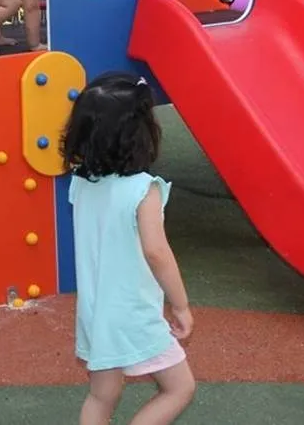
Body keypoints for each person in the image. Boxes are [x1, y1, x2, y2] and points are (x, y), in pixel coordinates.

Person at [60, 73, 196, 425]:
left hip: (95, 312)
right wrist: (180, 305)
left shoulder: (81, 185)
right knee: (179, 388)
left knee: (101, 395)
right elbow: (157, 253)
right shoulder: (143, 189)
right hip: (133, 313)